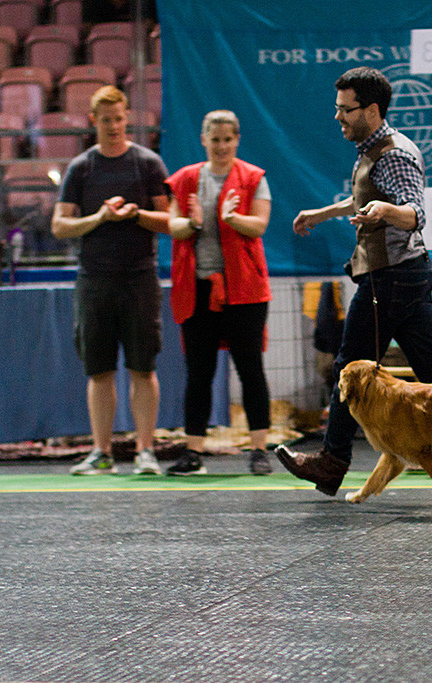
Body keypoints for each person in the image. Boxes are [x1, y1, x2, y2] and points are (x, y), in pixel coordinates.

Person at [273, 66, 432, 496]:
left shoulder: (394, 154)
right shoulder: (374, 148)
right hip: (403, 275)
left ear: (371, 109)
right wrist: (322, 213)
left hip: (390, 279)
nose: (338, 118)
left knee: (351, 365)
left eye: (345, 110)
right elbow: (366, 197)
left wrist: (388, 213)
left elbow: (415, 212)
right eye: (337, 109)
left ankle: (332, 463)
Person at [52, 85, 170, 475]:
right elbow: (60, 226)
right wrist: (99, 219)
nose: (115, 126)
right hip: (94, 280)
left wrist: (135, 215)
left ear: (127, 117)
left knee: (143, 368)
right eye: (107, 121)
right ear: (94, 122)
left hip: (139, 279)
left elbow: (169, 222)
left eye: (120, 119)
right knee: (98, 369)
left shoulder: (148, 164)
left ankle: (145, 451)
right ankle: (101, 452)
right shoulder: (81, 168)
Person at [165, 110, 273, 476]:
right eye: (215, 139)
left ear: (237, 139)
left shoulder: (253, 178)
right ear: (203, 140)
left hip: (245, 290)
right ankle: (193, 450)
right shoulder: (184, 180)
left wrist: (231, 219)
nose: (222, 145)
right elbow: (174, 226)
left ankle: (259, 449)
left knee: (250, 368)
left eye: (228, 139)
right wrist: (193, 222)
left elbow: (258, 225)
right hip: (197, 288)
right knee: (199, 371)